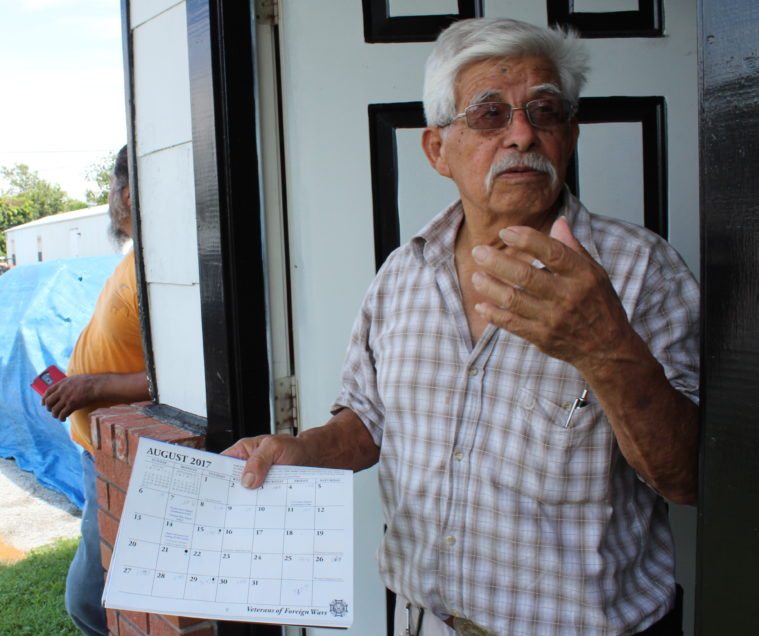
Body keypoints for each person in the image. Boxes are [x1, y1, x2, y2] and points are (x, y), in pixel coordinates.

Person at [224, 18, 699, 636]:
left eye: (544, 110)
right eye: (489, 114)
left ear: (570, 134)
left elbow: (689, 477)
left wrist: (603, 346)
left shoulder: (640, 270)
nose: (522, 132)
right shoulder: (403, 274)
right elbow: (371, 419)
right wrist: (308, 449)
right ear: (437, 149)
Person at [43, 144, 150, 636]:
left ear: (125, 194)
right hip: (98, 454)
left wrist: (94, 385)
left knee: (88, 602)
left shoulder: (156, 270)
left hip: (122, 458)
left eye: (109, 187)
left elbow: (183, 378)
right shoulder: (138, 259)